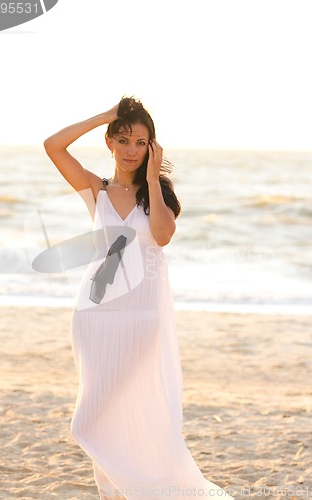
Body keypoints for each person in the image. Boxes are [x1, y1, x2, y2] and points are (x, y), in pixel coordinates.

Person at [43, 97, 233, 499]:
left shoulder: (157, 197)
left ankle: (142, 484)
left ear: (152, 148)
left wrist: (150, 180)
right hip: (95, 315)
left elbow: (162, 236)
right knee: (97, 411)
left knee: (125, 408)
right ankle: (115, 491)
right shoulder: (96, 189)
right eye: (124, 140)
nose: (132, 150)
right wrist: (101, 117)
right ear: (110, 142)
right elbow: (53, 146)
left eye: (141, 143)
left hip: (144, 315)